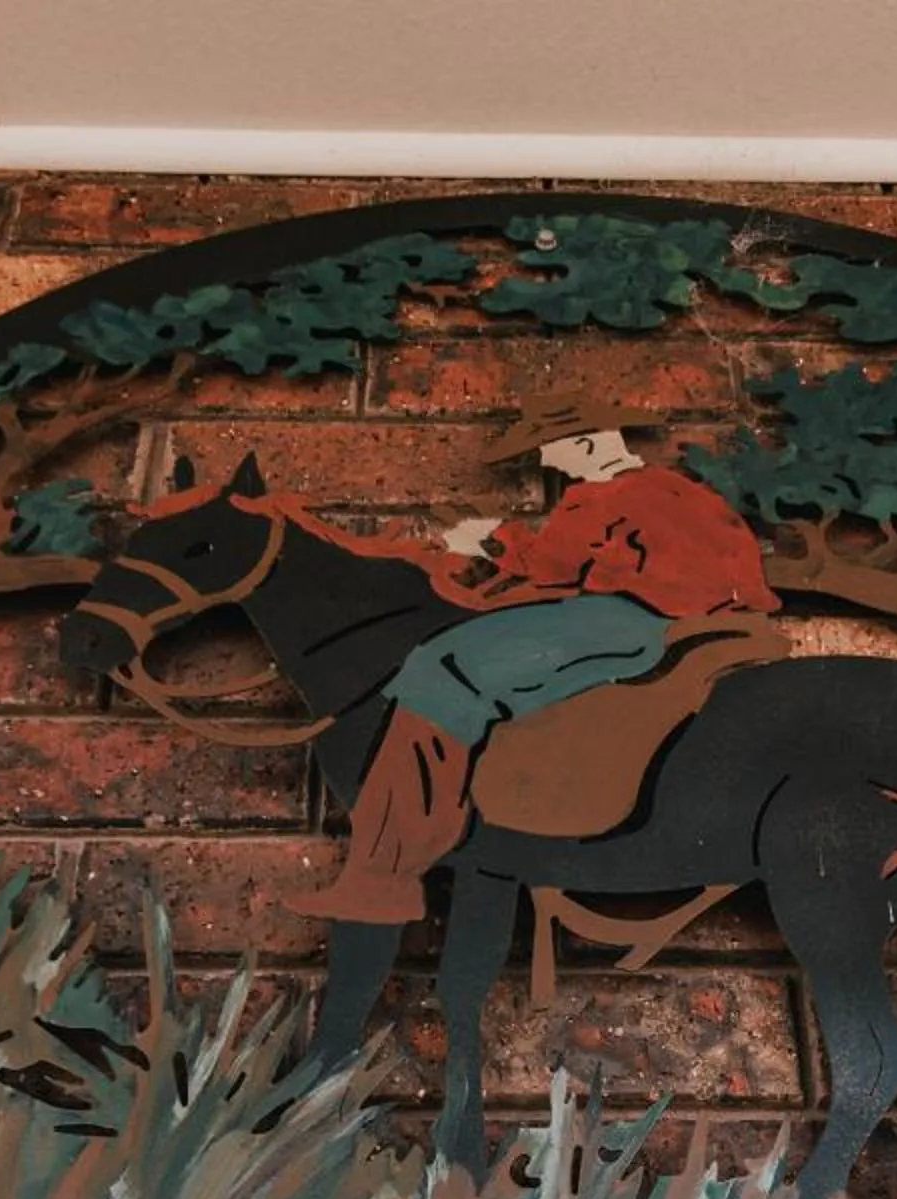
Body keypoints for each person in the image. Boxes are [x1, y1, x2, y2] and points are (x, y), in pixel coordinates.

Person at [290, 392, 781, 925]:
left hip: (624, 621)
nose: (552, 462)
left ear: (590, 443)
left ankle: (388, 874)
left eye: (559, 451)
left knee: (443, 668)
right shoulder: (669, 491)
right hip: (643, 620)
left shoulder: (616, 495)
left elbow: (558, 566)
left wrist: (490, 540)